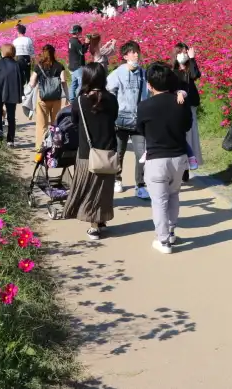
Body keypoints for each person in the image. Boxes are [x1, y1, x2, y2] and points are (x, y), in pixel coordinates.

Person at [137, 63, 193, 254]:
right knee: (173, 195)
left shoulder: (144, 106)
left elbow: (140, 130)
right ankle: (170, 231)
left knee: (159, 201)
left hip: (157, 159)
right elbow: (187, 126)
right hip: (179, 158)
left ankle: (163, 241)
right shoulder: (180, 102)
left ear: (150, 85)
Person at [63, 63, 119, 240]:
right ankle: (101, 218)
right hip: (108, 151)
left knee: (89, 188)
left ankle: (94, 225)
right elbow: (114, 118)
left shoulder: (80, 101)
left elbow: (74, 120)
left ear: (86, 78)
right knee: (104, 188)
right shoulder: (111, 99)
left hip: (88, 152)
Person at [107, 41, 150, 199]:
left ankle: (140, 185)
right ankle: (117, 178)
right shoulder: (117, 74)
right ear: (125, 56)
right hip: (120, 121)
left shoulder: (144, 74)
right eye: (132, 52)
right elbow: (109, 94)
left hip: (139, 121)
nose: (136, 55)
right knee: (119, 153)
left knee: (141, 154)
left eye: (137, 51)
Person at [28, 44, 68, 150]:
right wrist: (67, 97)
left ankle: (40, 147)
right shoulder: (59, 66)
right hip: (56, 98)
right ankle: (55, 145)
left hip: (43, 98)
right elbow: (63, 81)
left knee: (42, 124)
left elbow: (32, 83)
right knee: (56, 123)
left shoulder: (39, 66)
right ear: (53, 53)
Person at [172, 43, 203, 178]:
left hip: (190, 106)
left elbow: (196, 75)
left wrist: (192, 59)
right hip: (178, 107)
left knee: (190, 137)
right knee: (180, 136)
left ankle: (186, 168)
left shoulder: (190, 70)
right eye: (182, 52)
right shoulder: (172, 72)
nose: (184, 55)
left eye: (186, 52)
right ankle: (180, 167)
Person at [67, 24, 87, 102]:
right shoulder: (76, 41)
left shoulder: (70, 40)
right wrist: (86, 43)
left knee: (73, 84)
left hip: (72, 65)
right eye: (80, 32)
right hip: (78, 65)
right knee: (81, 84)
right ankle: (80, 99)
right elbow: (82, 52)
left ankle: (71, 99)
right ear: (78, 32)